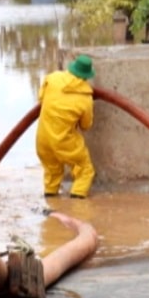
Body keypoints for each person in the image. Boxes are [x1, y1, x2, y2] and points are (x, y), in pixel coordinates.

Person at [36, 54, 97, 199]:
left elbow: (41, 97)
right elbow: (86, 125)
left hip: (42, 140)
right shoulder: (85, 98)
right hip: (64, 141)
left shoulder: (52, 78)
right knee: (85, 169)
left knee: (52, 170)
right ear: (86, 76)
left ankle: (51, 199)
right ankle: (77, 204)